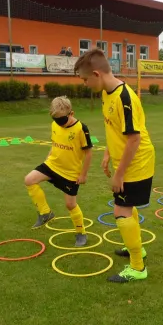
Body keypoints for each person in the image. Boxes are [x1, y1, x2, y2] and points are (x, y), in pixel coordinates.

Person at [74, 49, 155, 283]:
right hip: (124, 160)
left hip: (137, 162)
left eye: (85, 79)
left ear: (97, 74)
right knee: (126, 207)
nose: (85, 84)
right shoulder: (106, 94)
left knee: (120, 211)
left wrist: (119, 175)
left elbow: (134, 139)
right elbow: (116, 129)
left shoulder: (124, 97)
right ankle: (135, 248)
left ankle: (138, 267)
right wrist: (109, 153)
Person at [24, 96, 93, 247]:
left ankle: (81, 233)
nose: (59, 123)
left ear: (71, 113)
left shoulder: (81, 129)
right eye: (56, 119)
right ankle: (45, 213)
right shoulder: (54, 125)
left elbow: (88, 153)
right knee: (29, 180)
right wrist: (47, 159)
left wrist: (83, 174)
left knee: (70, 204)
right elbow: (55, 144)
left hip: (70, 172)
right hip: (52, 165)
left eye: (62, 120)